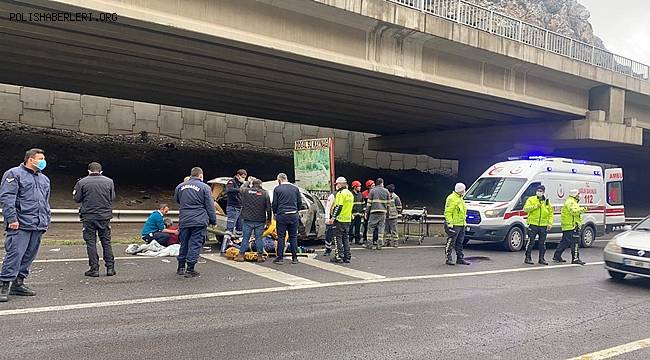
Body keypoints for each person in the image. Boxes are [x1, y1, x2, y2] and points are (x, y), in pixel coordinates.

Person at [0, 148, 51, 302]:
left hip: (38, 223)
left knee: (29, 255)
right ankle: (4, 284)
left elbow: (45, 201)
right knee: (15, 254)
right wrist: (12, 219)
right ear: (30, 159)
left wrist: (46, 220)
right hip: (20, 224)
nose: (43, 161)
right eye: (40, 158)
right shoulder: (14, 174)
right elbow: (7, 198)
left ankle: (18, 283)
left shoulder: (44, 179)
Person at [73, 162, 117, 277]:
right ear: (101, 171)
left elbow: (77, 199)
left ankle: (94, 268)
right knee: (106, 241)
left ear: (89, 171)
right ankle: (110, 267)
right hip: (104, 216)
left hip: (88, 216)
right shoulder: (109, 181)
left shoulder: (81, 182)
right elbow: (112, 198)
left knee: (91, 242)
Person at [175, 167, 217, 277]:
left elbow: (178, 200)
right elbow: (210, 205)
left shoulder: (180, 186)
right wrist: (213, 220)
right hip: (199, 220)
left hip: (184, 219)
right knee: (195, 244)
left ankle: (181, 267)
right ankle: (190, 269)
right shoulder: (205, 187)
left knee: (184, 243)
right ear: (201, 175)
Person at [236, 178, 272, 263]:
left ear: (252, 184)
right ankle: (259, 257)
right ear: (261, 185)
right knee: (258, 238)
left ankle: (241, 255)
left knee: (245, 238)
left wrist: (248, 181)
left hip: (247, 219)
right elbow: (269, 208)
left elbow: (240, 189)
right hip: (260, 220)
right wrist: (269, 220)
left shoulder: (246, 191)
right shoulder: (265, 194)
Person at [271, 173, 302, 265]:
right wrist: (296, 210)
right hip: (293, 215)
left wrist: (275, 213)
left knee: (281, 237)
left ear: (279, 180)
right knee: (293, 237)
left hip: (282, 215)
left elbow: (275, 204)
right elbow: (299, 202)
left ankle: (280, 258)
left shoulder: (277, 189)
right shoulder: (295, 188)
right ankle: (294, 258)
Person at [553, 189, 587, 265]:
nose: (579, 196)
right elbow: (574, 212)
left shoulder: (571, 201)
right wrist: (583, 209)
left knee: (564, 242)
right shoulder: (571, 202)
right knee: (575, 242)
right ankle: (575, 258)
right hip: (572, 226)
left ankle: (557, 256)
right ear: (575, 195)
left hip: (568, 226)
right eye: (578, 194)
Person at [523, 185, 553, 265]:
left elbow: (550, 213)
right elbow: (525, 209)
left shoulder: (547, 201)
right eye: (538, 191)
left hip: (543, 225)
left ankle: (541, 258)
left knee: (542, 243)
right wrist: (535, 206)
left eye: (541, 191)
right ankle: (528, 257)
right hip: (533, 224)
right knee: (531, 241)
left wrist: (550, 223)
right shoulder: (531, 199)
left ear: (543, 192)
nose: (539, 192)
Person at [221, 169, 247, 254]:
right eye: (242, 177)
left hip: (239, 208)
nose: (243, 179)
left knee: (240, 229)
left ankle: (238, 246)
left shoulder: (241, 184)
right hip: (232, 208)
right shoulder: (231, 182)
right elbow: (229, 190)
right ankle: (223, 248)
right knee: (230, 228)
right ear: (238, 175)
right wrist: (239, 190)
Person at [329, 177, 354, 263]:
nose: (336, 186)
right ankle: (347, 256)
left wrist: (333, 218)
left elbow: (338, 207)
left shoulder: (340, 193)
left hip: (339, 220)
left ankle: (339, 256)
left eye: (337, 184)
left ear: (340, 184)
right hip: (347, 219)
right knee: (345, 238)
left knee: (337, 238)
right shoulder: (350, 194)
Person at [444, 183, 469, 266]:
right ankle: (448, 258)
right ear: (460, 190)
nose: (464, 191)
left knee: (460, 242)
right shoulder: (451, 198)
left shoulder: (460, 198)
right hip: (454, 224)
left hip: (461, 224)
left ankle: (460, 258)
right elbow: (448, 212)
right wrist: (450, 224)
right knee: (451, 241)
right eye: (463, 190)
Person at [365, 178, 389, 250]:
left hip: (374, 212)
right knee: (381, 228)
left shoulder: (372, 191)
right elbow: (388, 204)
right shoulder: (386, 191)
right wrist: (387, 212)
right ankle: (379, 245)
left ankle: (369, 244)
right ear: (382, 183)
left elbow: (369, 204)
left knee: (370, 228)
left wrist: (366, 212)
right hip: (383, 213)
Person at [349, 180, 364, 245]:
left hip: (359, 214)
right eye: (359, 186)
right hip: (352, 214)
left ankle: (357, 240)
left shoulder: (361, 194)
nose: (360, 187)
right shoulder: (350, 194)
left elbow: (363, 204)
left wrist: (363, 212)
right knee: (351, 228)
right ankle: (350, 239)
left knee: (358, 228)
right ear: (354, 187)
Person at [323, 191, 336, 257]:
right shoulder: (333, 196)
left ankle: (340, 251)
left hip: (341, 218)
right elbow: (328, 207)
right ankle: (328, 249)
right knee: (329, 234)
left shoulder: (346, 195)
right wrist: (327, 218)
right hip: (332, 218)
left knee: (340, 236)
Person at [361, 180, 375, 244]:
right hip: (367, 212)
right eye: (373, 185)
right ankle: (365, 238)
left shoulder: (375, 193)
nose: (374, 186)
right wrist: (364, 212)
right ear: (369, 186)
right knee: (366, 225)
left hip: (373, 211)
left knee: (375, 226)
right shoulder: (364, 194)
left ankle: (374, 239)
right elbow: (363, 204)